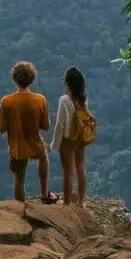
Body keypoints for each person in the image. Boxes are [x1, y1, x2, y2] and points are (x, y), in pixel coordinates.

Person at [0, 60, 51, 203]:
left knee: (19, 179)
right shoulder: (40, 100)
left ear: (14, 79)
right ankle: (44, 193)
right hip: (34, 144)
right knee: (43, 156)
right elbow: (46, 126)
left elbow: (2, 128)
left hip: (16, 147)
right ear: (32, 79)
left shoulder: (6, 101)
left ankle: (21, 208)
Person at [51, 66, 92, 206]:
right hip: (81, 137)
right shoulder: (83, 98)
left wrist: (55, 145)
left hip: (68, 139)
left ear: (67, 82)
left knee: (68, 171)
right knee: (80, 167)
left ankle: (67, 202)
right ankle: (81, 201)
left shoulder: (64, 100)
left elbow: (60, 125)